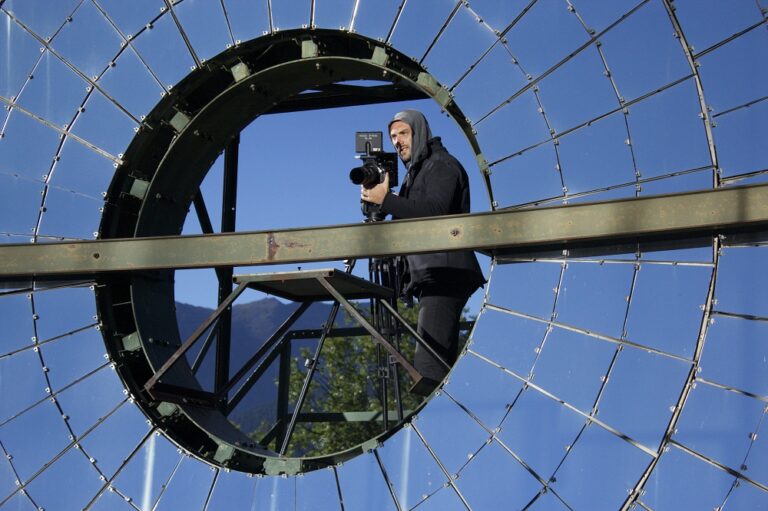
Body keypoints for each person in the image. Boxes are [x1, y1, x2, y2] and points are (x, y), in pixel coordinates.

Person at [361, 109, 485, 396]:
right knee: (430, 362)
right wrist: (380, 204)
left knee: (430, 369)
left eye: (403, 133)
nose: (397, 142)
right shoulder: (416, 173)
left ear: (420, 132)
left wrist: (388, 200)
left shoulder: (442, 165)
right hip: (434, 274)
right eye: (393, 136)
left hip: (445, 274)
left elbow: (436, 213)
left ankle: (442, 423)